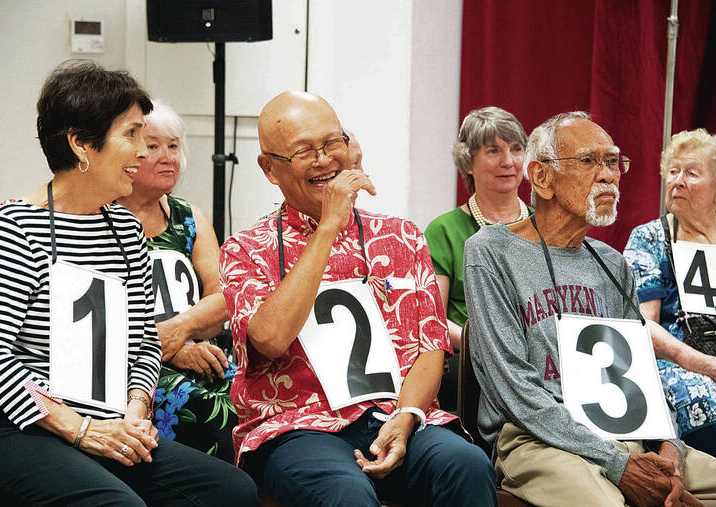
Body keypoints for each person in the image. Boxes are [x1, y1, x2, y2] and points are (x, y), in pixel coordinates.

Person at [0, 61, 257, 506]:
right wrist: (79, 429)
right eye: (131, 135)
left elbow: (142, 346)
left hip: (104, 422)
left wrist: (135, 412)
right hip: (6, 425)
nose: (143, 152)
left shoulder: (125, 229)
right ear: (80, 144)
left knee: (231, 489)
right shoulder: (14, 225)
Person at [220, 91, 496, 507]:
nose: (325, 159)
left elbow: (430, 347)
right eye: (304, 151)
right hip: (297, 427)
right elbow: (270, 339)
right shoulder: (246, 249)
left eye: (334, 143)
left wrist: (406, 419)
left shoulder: (401, 234)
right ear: (269, 169)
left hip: (398, 415)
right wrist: (328, 225)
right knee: (345, 493)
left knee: (468, 464)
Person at [465, 111, 716, 506]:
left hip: (625, 434)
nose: (608, 175)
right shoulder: (490, 251)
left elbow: (645, 374)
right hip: (535, 440)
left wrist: (670, 446)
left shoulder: (613, 264)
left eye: (613, 162)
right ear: (543, 178)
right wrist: (618, 465)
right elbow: (512, 386)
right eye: (589, 161)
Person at [117, 100, 237, 462]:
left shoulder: (190, 217)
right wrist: (165, 348)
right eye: (152, 146)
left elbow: (224, 296)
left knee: (248, 395)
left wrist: (179, 332)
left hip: (200, 351)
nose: (167, 156)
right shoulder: (99, 220)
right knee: (204, 407)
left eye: (173, 146)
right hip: (130, 366)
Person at [425, 107, 529, 411]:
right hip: (473, 363)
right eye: (493, 150)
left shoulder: (545, 225)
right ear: (468, 162)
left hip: (540, 359)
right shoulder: (443, 230)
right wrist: (490, 348)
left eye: (516, 149)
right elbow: (435, 320)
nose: (508, 161)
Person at [624, 129, 716, 456]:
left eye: (691, 173)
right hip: (677, 365)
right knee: (704, 399)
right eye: (673, 171)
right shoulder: (649, 239)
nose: (677, 181)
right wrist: (702, 363)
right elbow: (641, 326)